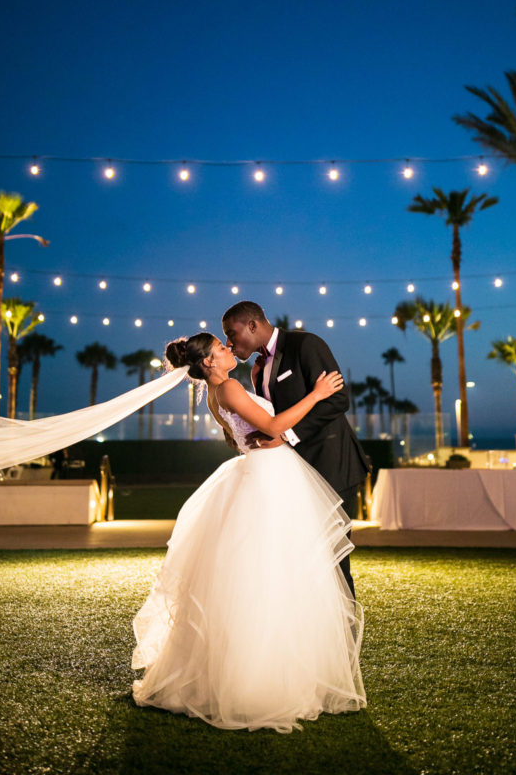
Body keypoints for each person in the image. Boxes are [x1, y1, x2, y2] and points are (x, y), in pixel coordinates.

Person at [131, 332, 366, 733]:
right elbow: (274, 424)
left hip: (260, 471)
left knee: (264, 573)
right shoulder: (230, 387)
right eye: (221, 349)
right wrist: (318, 393)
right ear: (209, 363)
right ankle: (264, 679)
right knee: (275, 573)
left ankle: (270, 667)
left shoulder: (215, 393)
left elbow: (247, 433)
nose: (228, 350)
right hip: (270, 478)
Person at [222, 301, 370, 598]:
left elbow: (337, 401)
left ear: (252, 325)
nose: (229, 342)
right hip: (295, 474)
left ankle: (344, 637)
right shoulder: (257, 369)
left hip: (331, 466)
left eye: (231, 333)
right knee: (303, 556)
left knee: (333, 557)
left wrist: (287, 435)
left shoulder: (306, 344)